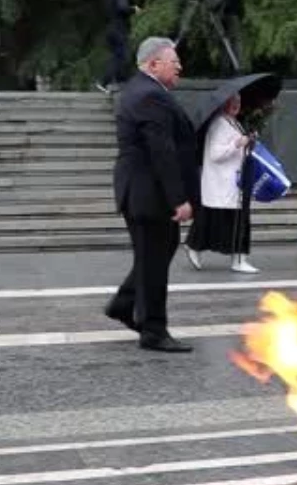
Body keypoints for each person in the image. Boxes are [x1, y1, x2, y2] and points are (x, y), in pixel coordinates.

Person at [105, 37, 198, 352]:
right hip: (150, 194)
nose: (180, 67)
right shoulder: (149, 95)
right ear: (154, 63)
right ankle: (154, 330)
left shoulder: (144, 91)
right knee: (155, 261)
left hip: (144, 191)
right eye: (175, 62)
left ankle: (125, 304)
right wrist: (179, 199)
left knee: (154, 256)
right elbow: (161, 151)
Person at [185, 94, 259, 273]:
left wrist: (249, 141)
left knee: (230, 220)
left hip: (234, 182)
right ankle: (235, 258)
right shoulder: (219, 124)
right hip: (224, 182)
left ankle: (236, 258)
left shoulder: (233, 122)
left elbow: (239, 147)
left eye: (238, 102)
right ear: (223, 104)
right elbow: (215, 154)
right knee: (225, 220)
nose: (236, 105)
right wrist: (238, 143)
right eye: (231, 102)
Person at [96, 0, 141, 93]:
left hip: (109, 28)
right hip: (119, 29)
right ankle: (104, 82)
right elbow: (122, 8)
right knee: (121, 57)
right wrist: (133, 9)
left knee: (119, 56)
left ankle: (121, 83)